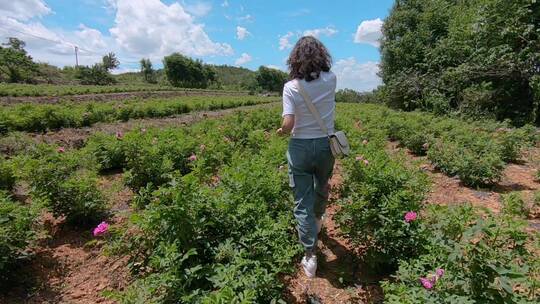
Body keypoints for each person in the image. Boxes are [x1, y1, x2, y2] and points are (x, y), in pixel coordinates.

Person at [276, 36, 336, 278]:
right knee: (321, 185)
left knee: (302, 198)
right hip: (325, 144)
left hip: (299, 146)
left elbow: (289, 123)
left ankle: (310, 255)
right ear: (322, 56)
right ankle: (319, 219)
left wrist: (281, 130)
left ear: (295, 59)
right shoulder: (331, 79)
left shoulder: (291, 86)